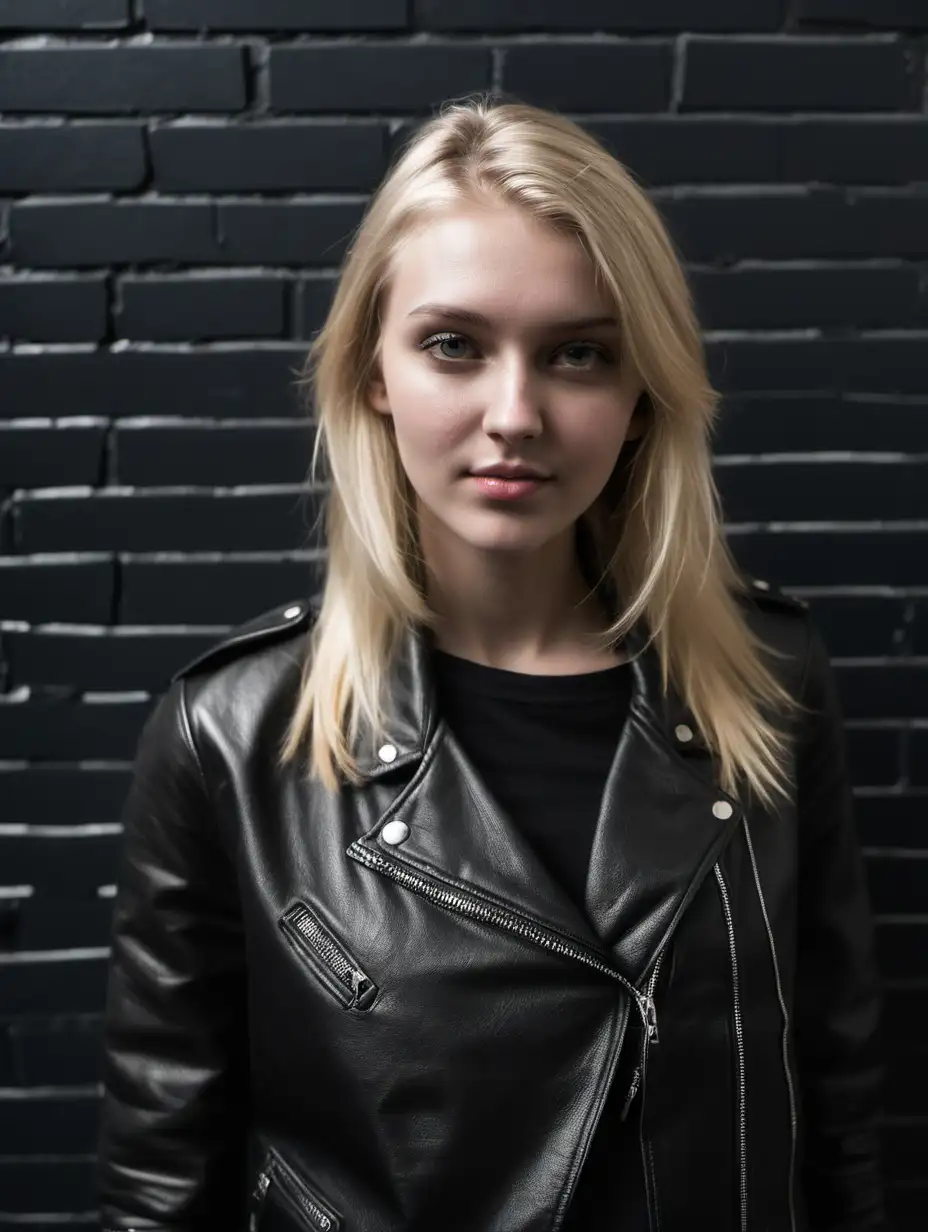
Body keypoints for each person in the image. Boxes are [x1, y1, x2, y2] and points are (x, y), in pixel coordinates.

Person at [95, 94, 886, 1232]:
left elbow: (839, 1099)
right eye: (453, 345)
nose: (513, 413)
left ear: (637, 395)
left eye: (576, 354)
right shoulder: (230, 732)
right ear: (375, 371)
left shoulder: (766, 682)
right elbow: (162, 1178)